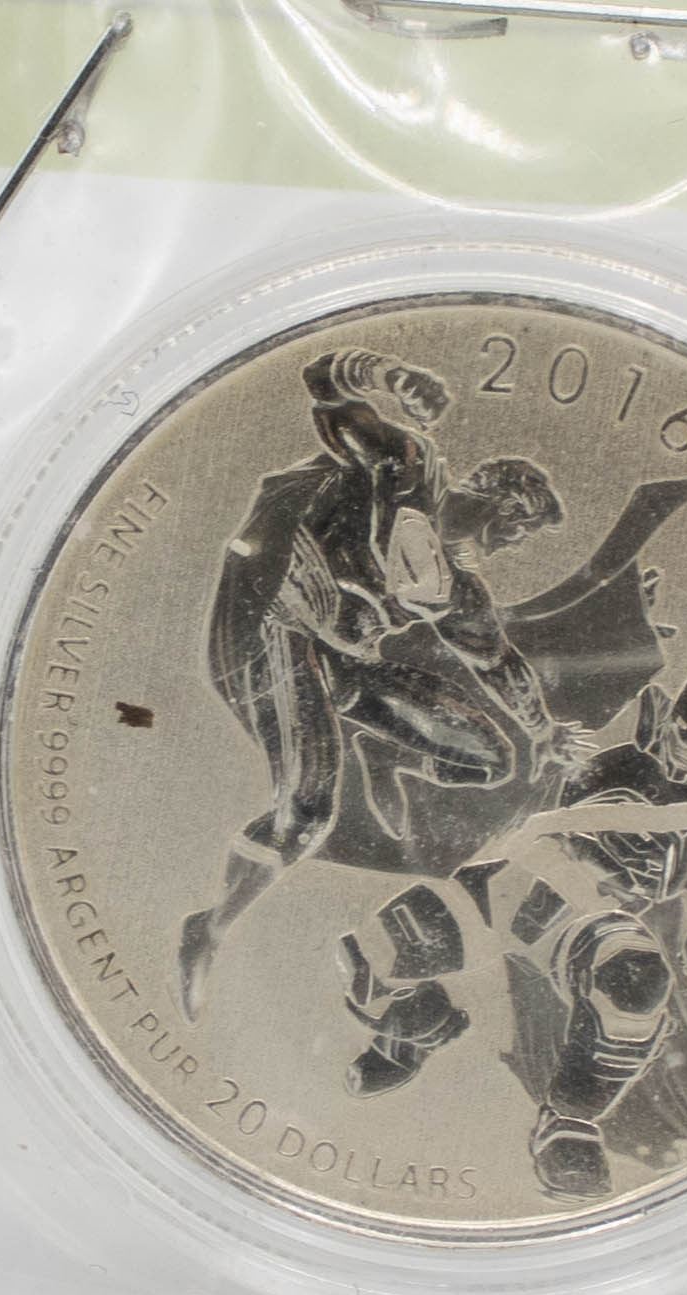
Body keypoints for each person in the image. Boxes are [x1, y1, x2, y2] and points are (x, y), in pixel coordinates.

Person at [178, 347, 585, 1021]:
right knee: (307, 809)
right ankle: (212, 927)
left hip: (337, 663)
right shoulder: (407, 470)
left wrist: (542, 732)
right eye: (517, 532)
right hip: (271, 618)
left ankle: (381, 748)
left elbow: (499, 664)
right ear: (503, 508)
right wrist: (393, 376)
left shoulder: (458, 592)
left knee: (489, 757)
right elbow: (323, 383)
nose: (509, 547)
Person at [336, 664, 687, 1200]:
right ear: (669, 720)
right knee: (369, 959)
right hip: (517, 879)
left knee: (635, 982)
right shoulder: (616, 749)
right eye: (686, 730)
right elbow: (529, 767)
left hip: (591, 914)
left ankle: (569, 1125)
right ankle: (416, 1032)